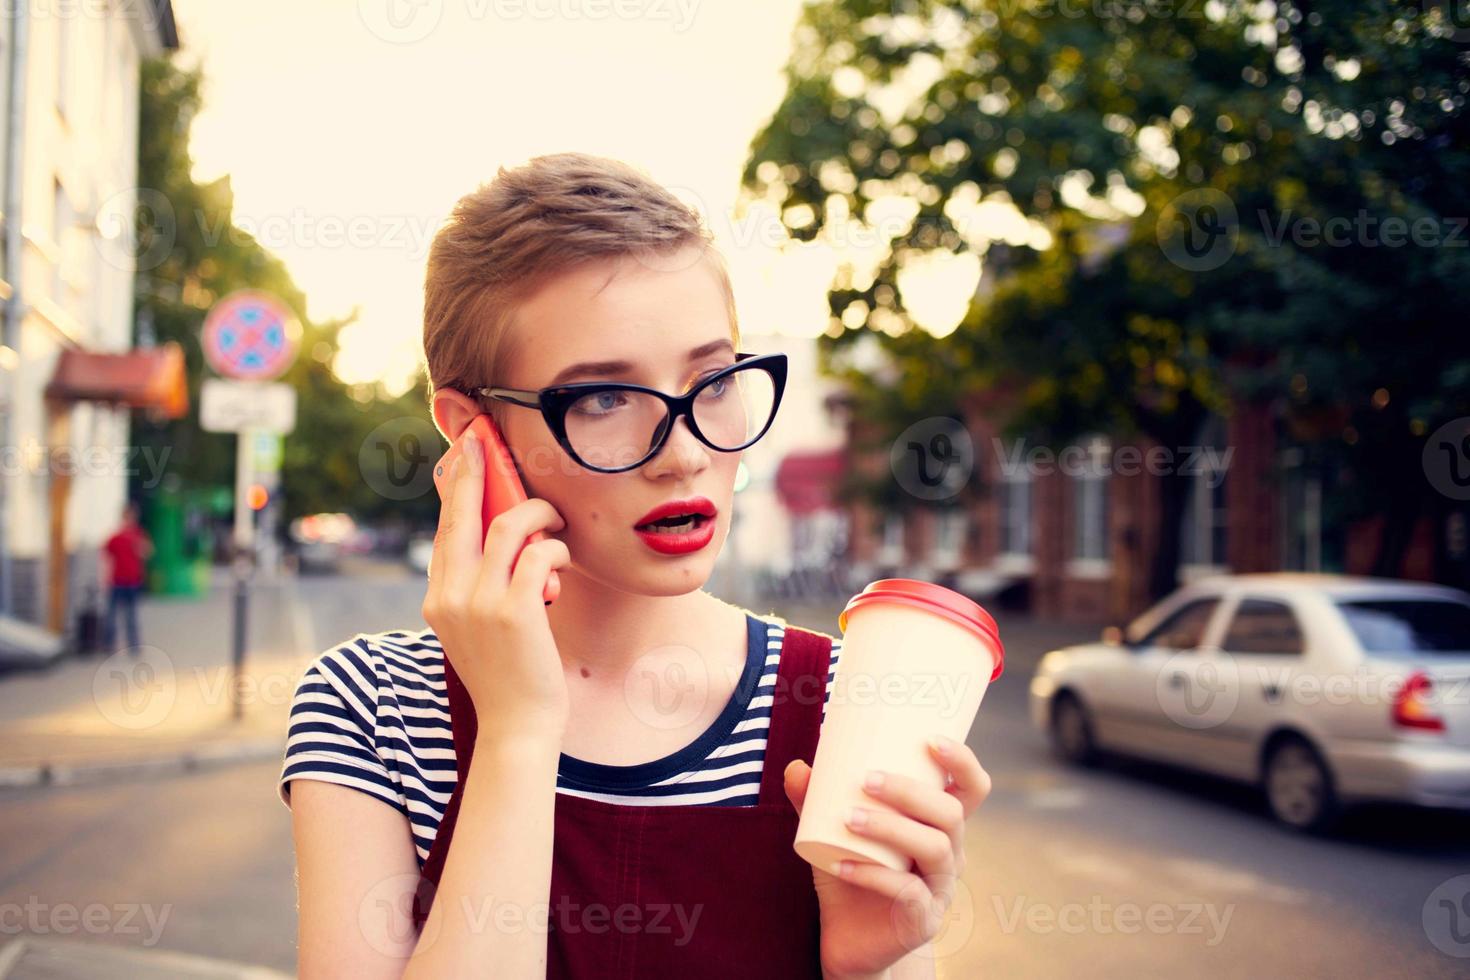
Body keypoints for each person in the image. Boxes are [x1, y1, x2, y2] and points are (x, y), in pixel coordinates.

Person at [277, 152, 991, 979]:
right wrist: (515, 730)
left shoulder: (845, 701)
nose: (685, 454)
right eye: (603, 399)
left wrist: (869, 968)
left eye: (714, 379)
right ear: (475, 430)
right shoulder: (371, 711)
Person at [100, 500, 152, 654]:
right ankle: (109, 646)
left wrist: (142, 549)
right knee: (112, 616)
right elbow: (105, 556)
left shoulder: (138, 534)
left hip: (133, 580)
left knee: (131, 616)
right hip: (117, 581)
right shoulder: (116, 536)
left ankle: (133, 646)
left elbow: (147, 553)